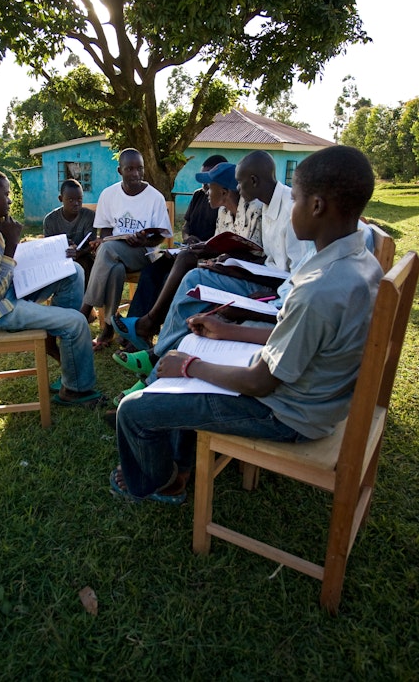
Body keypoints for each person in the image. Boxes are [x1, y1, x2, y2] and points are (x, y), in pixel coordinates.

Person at [109, 146, 384, 504]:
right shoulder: (362, 262)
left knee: (134, 410)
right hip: (315, 396)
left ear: (316, 206)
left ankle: (161, 480)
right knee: (184, 352)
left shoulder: (319, 286)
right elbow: (304, 337)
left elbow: (259, 382)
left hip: (285, 413)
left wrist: (191, 367)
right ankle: (183, 460)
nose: (292, 207)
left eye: (297, 199)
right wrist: (229, 331)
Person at [114, 150, 308, 368]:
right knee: (183, 274)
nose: (239, 189)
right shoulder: (265, 204)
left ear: (252, 181)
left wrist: (259, 284)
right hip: (260, 279)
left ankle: (154, 348)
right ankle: (155, 349)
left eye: (240, 184)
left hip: (274, 291)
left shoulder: (287, 210)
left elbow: (300, 276)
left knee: (193, 278)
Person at [0, 168, 101, 406]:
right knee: (76, 321)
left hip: (6, 291)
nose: (9, 200)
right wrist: (11, 244)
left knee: (73, 270)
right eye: (5, 195)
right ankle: (74, 389)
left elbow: (1, 271)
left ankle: (68, 358)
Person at [111, 161, 263, 349]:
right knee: (154, 270)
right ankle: (140, 330)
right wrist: (199, 246)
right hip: (216, 262)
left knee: (176, 272)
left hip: (240, 274)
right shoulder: (223, 211)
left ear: (224, 192)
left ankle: (149, 328)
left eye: (210, 186)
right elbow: (215, 241)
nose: (206, 190)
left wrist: (211, 253)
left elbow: (256, 254)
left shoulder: (255, 211)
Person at [80, 148, 172, 351]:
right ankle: (111, 327)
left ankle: (85, 310)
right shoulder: (109, 194)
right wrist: (114, 240)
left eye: (140, 168)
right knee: (114, 267)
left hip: (144, 253)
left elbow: (161, 237)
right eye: (129, 169)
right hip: (114, 255)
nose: (136, 174)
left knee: (108, 250)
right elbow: (104, 232)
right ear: (119, 170)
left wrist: (142, 241)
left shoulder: (154, 197)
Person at [123, 154, 229, 323]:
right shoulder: (198, 195)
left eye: (208, 181)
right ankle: (134, 325)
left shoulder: (224, 204)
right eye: (202, 180)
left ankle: (151, 326)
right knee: (151, 271)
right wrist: (188, 238)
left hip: (205, 257)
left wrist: (202, 246)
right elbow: (186, 224)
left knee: (168, 280)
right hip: (186, 251)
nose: (204, 186)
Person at [43, 178, 97, 285]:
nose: (76, 203)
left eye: (79, 199)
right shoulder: (50, 220)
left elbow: (91, 243)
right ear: (61, 199)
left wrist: (79, 252)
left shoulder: (89, 216)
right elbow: (48, 247)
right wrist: (63, 245)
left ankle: (84, 300)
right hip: (59, 259)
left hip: (83, 257)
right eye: (71, 200)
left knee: (85, 265)